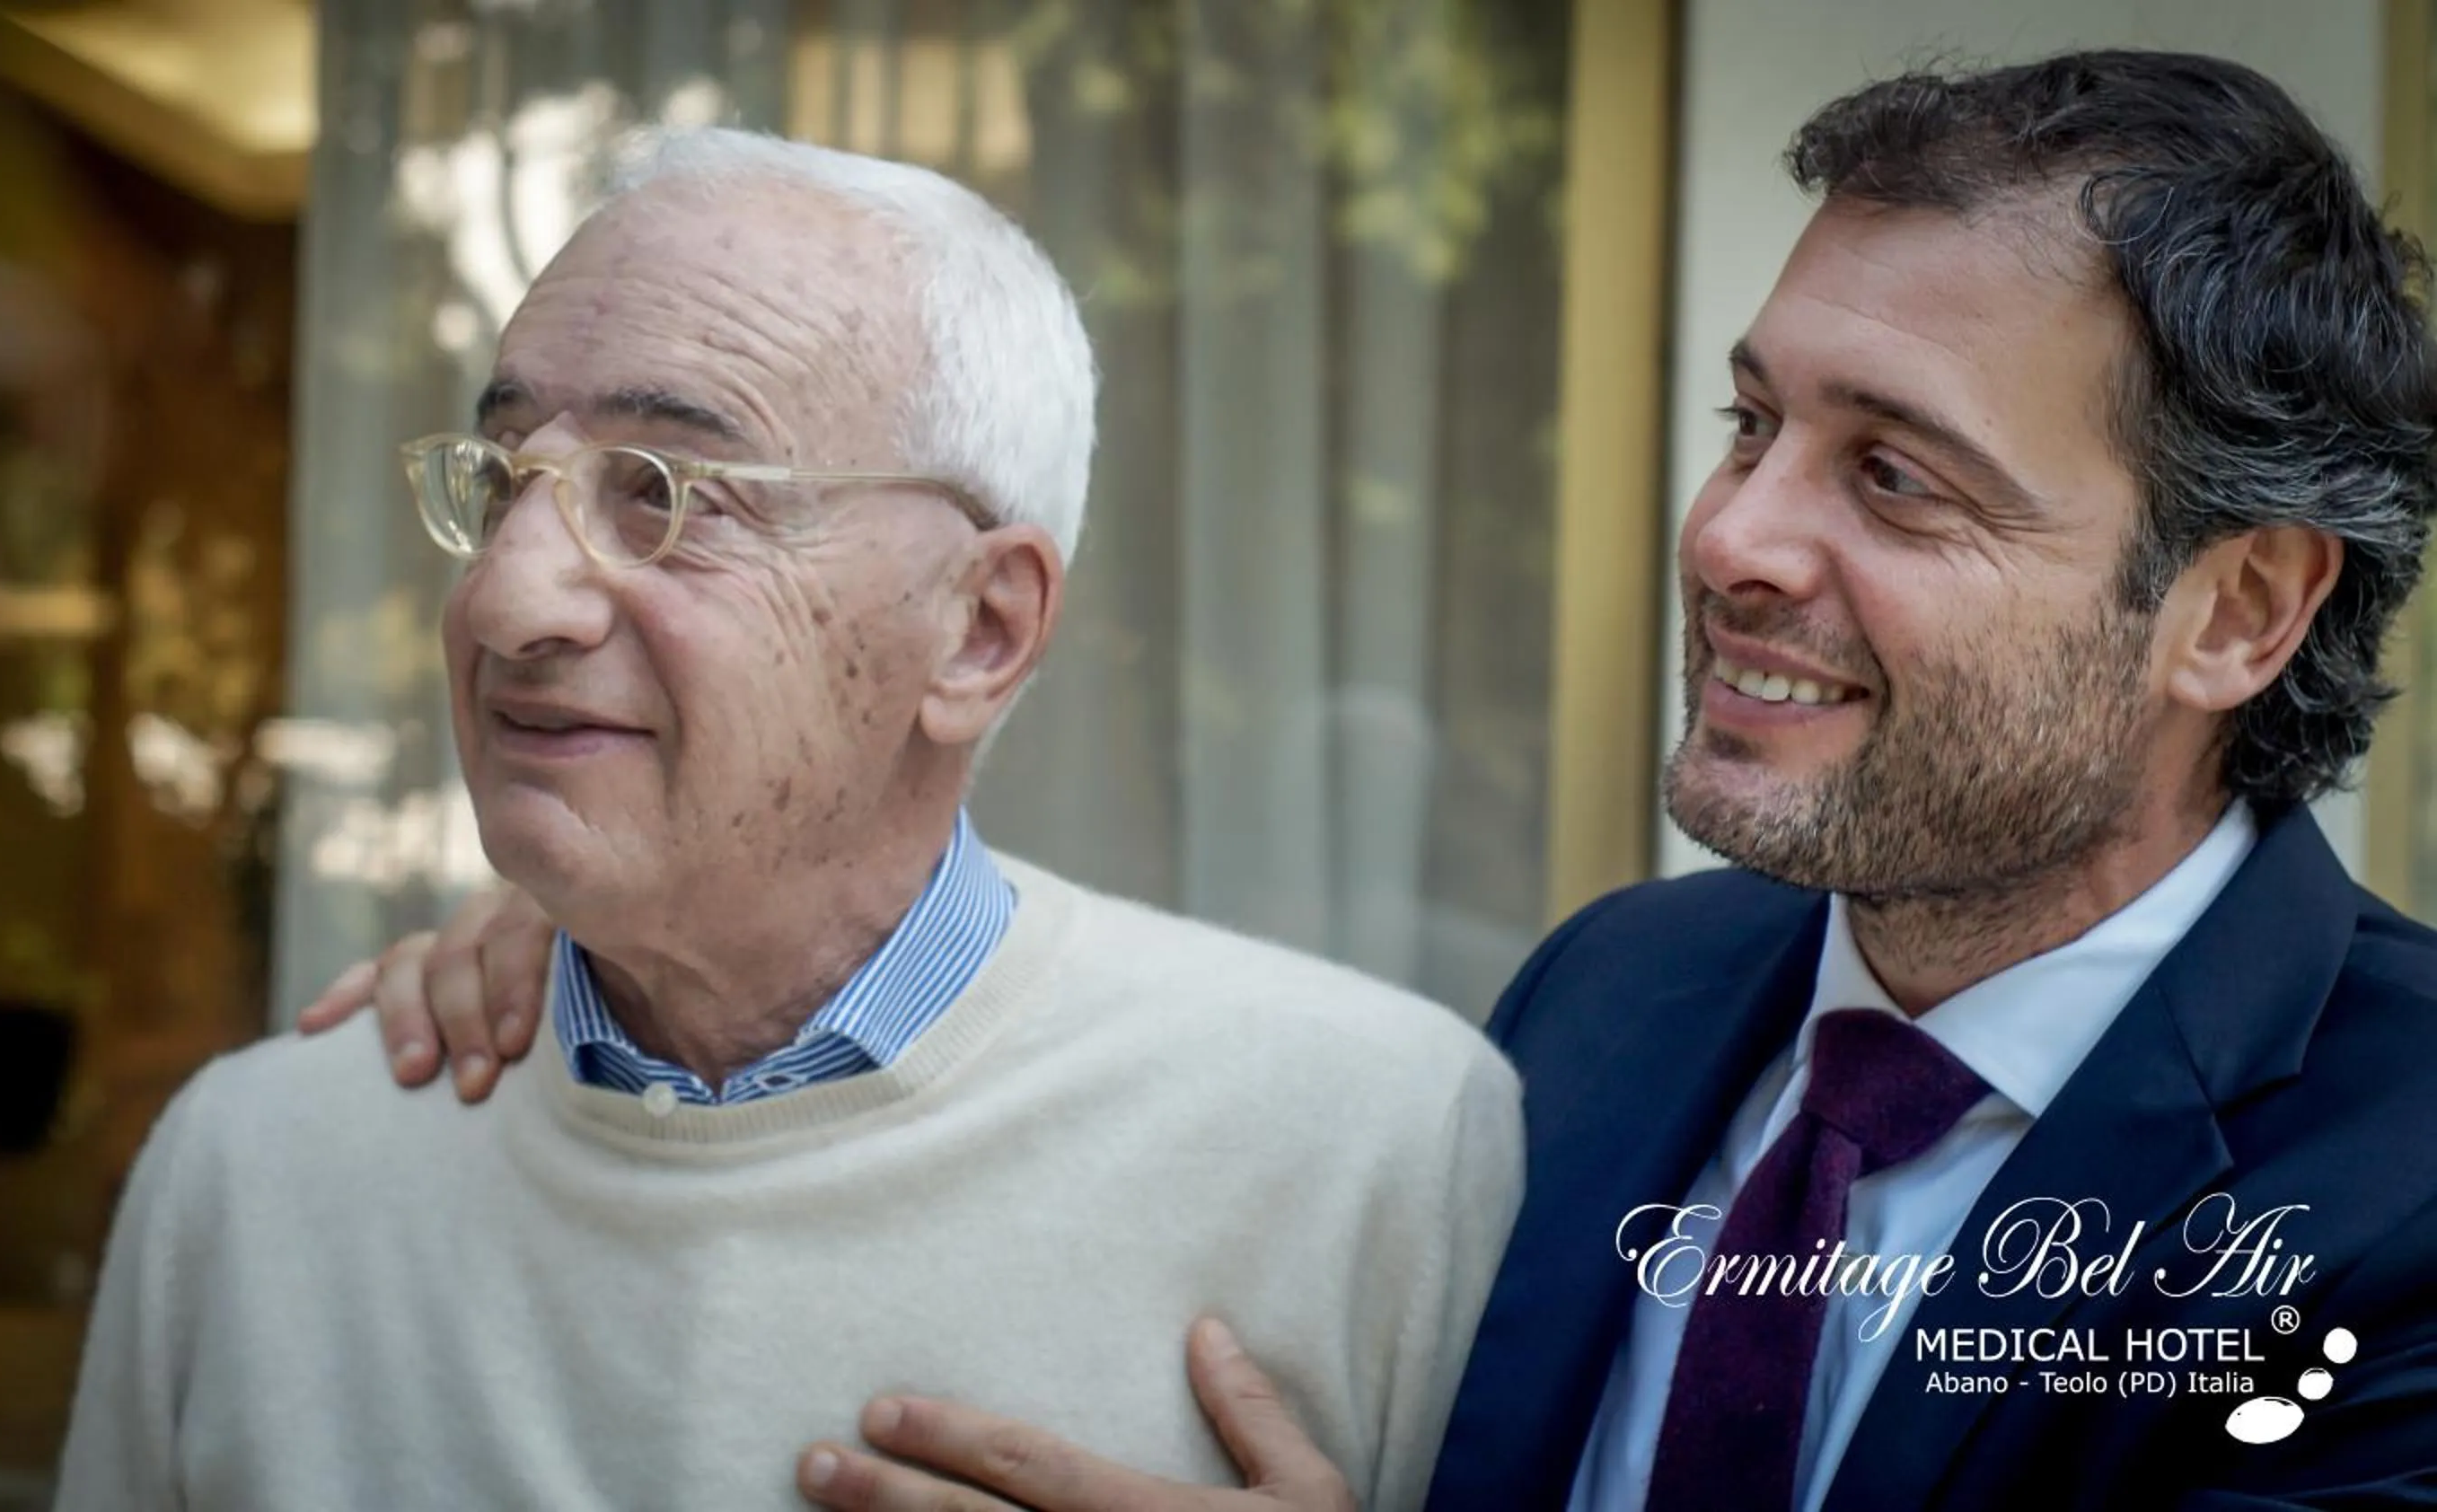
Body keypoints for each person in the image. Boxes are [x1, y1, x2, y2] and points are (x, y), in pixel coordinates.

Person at [320, 50, 2437, 1512]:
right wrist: (658, 933)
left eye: (1893, 474)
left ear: (2238, 607)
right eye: (1752, 425)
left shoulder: (2403, 1187)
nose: (1731, 536)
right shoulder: (1612, 1004)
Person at [55, 127, 1524, 1512]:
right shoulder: (256, 1173)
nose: (505, 598)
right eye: (503, 482)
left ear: (980, 629)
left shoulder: (1372, 1148)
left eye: (665, 490)